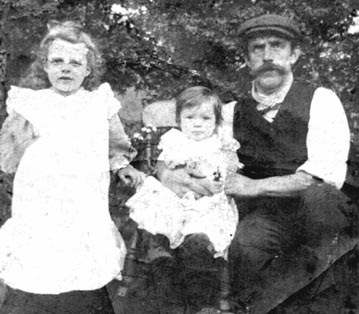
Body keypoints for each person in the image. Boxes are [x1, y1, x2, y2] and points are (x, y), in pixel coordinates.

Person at [157, 14, 359, 314]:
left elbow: (322, 176)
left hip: (322, 210)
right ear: (247, 60)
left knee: (321, 203)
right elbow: (184, 157)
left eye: (277, 46)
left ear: (294, 55)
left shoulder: (320, 100)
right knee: (247, 243)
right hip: (267, 214)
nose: (268, 56)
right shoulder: (228, 113)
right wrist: (182, 178)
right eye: (257, 48)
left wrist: (251, 186)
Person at [0, 20, 144, 314]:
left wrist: (120, 166)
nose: (66, 68)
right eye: (57, 61)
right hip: (40, 202)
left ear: (88, 70)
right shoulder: (31, 103)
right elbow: (8, 157)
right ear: (45, 67)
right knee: (37, 266)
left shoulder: (98, 103)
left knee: (81, 266)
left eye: (76, 62)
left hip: (83, 202)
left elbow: (115, 146)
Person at [127, 86, 242, 310]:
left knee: (199, 237)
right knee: (159, 206)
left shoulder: (221, 144)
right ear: (179, 120)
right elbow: (166, 174)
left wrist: (198, 175)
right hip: (177, 199)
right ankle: (160, 252)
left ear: (217, 122)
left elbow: (221, 179)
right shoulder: (174, 140)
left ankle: (199, 296)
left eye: (205, 118)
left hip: (207, 202)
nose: (197, 124)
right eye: (190, 117)